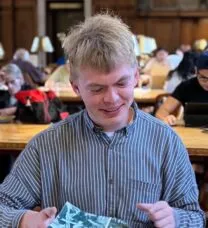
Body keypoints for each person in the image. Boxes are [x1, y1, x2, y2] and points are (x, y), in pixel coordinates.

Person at [0, 14, 205, 228]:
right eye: (97, 89)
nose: (112, 98)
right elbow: (3, 206)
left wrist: (175, 218)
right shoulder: (46, 146)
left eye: (121, 83)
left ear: (136, 76)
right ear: (76, 86)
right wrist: (23, 220)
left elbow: (195, 217)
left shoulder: (166, 142)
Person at [156, 51, 208, 126]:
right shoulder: (187, 87)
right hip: (192, 134)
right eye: (203, 78)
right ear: (196, 71)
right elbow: (161, 112)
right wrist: (166, 118)